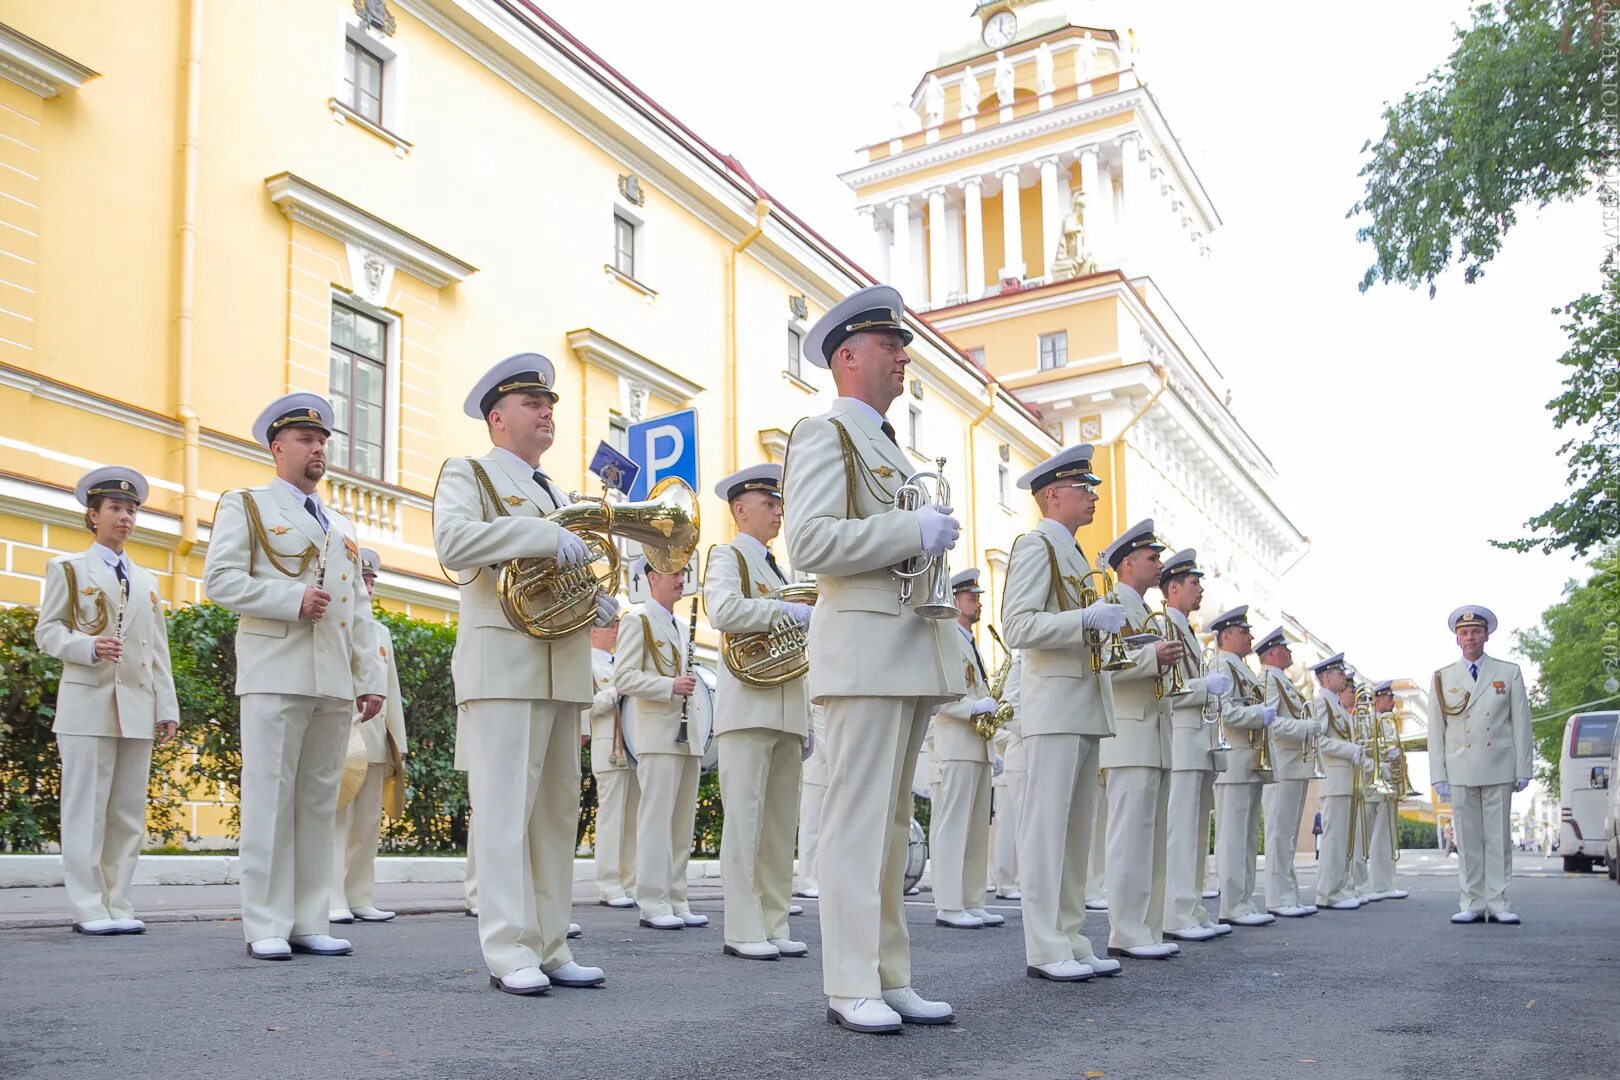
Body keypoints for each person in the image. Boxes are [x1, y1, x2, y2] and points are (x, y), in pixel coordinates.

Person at [783, 284, 965, 1033]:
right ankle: (849, 981)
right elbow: (813, 544)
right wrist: (910, 533)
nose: (903, 358)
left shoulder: (889, 446)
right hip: (861, 650)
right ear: (848, 357)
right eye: (891, 346)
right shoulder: (824, 433)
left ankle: (890, 974)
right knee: (857, 825)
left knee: (892, 827)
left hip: (902, 649)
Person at [433, 354, 613, 994]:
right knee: (506, 812)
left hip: (561, 667)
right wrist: (541, 538)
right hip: (502, 665)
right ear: (497, 417)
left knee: (557, 814)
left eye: (551, 405)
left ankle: (551, 943)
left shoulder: (556, 493)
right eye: (533, 404)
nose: (547, 413)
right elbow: (454, 543)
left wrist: (595, 596)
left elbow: (559, 569)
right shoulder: (470, 472)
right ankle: (510, 950)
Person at [203, 395, 384, 961]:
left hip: (331, 679)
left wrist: (368, 674)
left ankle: (309, 918)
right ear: (277, 448)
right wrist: (289, 597)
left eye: (323, 441)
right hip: (275, 670)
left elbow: (356, 609)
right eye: (306, 440)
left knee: (317, 801)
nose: (318, 449)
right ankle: (266, 923)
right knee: (269, 799)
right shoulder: (247, 505)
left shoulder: (342, 526)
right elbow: (221, 581)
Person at [1001, 443, 1126, 983]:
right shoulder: (1036, 546)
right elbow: (1018, 626)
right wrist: (1085, 621)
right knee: (1047, 831)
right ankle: (1044, 945)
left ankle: (1072, 936)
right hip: (1052, 704)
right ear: (1053, 495)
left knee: (1076, 833)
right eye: (1084, 488)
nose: (1092, 497)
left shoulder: (1074, 554)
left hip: (1081, 702)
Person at [35, 466, 179, 936]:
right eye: (115, 508)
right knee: (85, 810)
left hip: (136, 706)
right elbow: (48, 631)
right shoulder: (68, 569)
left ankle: (119, 901)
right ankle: (87, 906)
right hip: (87, 705)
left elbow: (157, 650)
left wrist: (167, 707)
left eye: (131, 510)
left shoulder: (146, 579)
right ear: (92, 516)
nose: (125, 517)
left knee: (125, 813)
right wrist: (88, 647)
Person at [703, 463, 811, 960]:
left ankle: (774, 922)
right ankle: (743, 929)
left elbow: (801, 653)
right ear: (740, 509)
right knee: (745, 823)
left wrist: (806, 717)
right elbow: (723, 611)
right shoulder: (728, 556)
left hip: (786, 709)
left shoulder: (779, 570)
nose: (778, 511)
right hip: (746, 708)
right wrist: (780, 609)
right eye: (769, 503)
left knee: (777, 825)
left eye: (779, 503)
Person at [1097, 520, 1185, 960]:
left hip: (1153, 734)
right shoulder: (1112, 604)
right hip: (1128, 733)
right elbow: (1105, 667)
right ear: (1128, 563)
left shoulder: (1150, 613)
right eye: (1153, 559)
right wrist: (1151, 656)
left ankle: (1146, 927)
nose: (1160, 565)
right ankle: (1125, 930)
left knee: (1150, 837)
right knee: (1129, 836)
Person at [1426, 606, 1532, 924]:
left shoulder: (1507, 672)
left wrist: (1524, 767)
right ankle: (1471, 900)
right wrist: (1438, 774)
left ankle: (1498, 902)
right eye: (1464, 633)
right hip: (1460, 767)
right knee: (1468, 839)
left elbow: (1521, 723)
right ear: (1457, 639)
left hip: (1499, 763)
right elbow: (1436, 729)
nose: (1470, 637)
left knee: (1497, 838)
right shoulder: (1442, 676)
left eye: (1475, 632)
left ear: (1486, 635)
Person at [617, 557, 706, 932]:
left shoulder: (680, 626)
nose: (680, 580)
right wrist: (668, 686)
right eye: (673, 574)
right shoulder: (638, 621)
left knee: (682, 822)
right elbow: (623, 677)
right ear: (652, 578)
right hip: (656, 733)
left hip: (688, 734)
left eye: (684, 574)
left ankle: (677, 897)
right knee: (655, 821)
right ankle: (653, 901)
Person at [1157, 549, 1234, 943]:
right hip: (1183, 739)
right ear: (1173, 588)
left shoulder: (1185, 629)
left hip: (1199, 740)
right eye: (1193, 583)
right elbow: (1169, 691)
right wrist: (1205, 687)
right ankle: (1176, 911)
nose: (1200, 589)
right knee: (1182, 832)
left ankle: (1193, 906)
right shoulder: (1167, 627)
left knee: (1197, 830)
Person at [330, 548, 409, 925]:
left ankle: (359, 895)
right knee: (335, 824)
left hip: (375, 741)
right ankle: (332, 899)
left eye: (372, 581)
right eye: (363, 579)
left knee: (366, 826)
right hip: (342, 741)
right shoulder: (333, 624)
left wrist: (400, 744)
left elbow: (390, 691)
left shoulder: (380, 633)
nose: (369, 587)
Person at [926, 569, 1003, 930]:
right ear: (955, 601)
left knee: (975, 831)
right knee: (952, 826)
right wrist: (974, 707)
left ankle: (973, 899)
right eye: (972, 597)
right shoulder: (946, 638)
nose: (978, 603)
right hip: (956, 745)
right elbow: (938, 695)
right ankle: (949, 904)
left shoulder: (970, 643)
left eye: (978, 597)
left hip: (977, 746)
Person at [1207, 607, 1277, 927]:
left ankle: (1244, 900)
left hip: (1248, 760)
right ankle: (1231, 904)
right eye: (1244, 631)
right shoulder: (1222, 664)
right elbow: (1226, 713)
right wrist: (1258, 715)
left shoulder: (1242, 668)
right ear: (1226, 636)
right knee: (1233, 837)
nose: (1250, 636)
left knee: (1248, 836)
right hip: (1234, 759)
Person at [1255, 626, 1322, 918]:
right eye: (1285, 648)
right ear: (1272, 653)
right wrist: (1304, 728)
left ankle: (1288, 894)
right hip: (1281, 763)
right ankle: (1277, 897)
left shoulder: (1284, 680)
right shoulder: (1269, 679)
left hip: (1294, 764)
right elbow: (1270, 722)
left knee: (1289, 835)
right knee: (1279, 834)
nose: (1290, 652)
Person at [586, 614, 637, 908]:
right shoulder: (587, 662)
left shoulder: (621, 663)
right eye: (611, 626)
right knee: (611, 819)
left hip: (631, 744)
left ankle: (630, 882)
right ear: (594, 631)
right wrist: (615, 693)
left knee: (632, 820)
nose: (616, 631)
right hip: (609, 747)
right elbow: (587, 707)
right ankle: (608, 885)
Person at [1309, 654, 1367, 911]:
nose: (1344, 677)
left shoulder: (1336, 705)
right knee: (1333, 839)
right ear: (1325, 677)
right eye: (1338, 672)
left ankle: (1340, 888)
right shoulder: (1322, 703)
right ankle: (1328, 892)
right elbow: (1319, 740)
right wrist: (1349, 750)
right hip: (1334, 777)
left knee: (1343, 839)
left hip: (1345, 778)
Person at [1367, 679, 1410, 901]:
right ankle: (1380, 884)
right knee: (1381, 837)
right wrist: (1387, 760)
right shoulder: (1372, 722)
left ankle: (1387, 882)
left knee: (1388, 836)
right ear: (1379, 699)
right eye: (1388, 697)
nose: (1392, 700)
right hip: (1379, 786)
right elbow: (1368, 750)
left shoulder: (1386, 723)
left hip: (1388, 785)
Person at [990, 652, 1026, 900]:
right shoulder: (1019, 663)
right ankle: (1007, 881)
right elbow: (1009, 712)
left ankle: (1025, 881)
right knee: (1013, 826)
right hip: (1018, 754)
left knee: (1024, 826)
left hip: (1026, 754)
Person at [795, 702, 828, 899]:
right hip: (820, 711)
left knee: (819, 817)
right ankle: (808, 880)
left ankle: (817, 878)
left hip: (826, 713)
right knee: (812, 816)